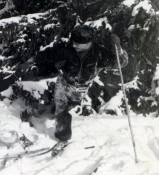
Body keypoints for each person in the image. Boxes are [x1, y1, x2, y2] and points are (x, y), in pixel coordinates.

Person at [32, 25, 129, 155]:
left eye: (78, 44)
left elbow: (120, 62)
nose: (75, 45)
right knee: (62, 109)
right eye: (74, 42)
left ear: (88, 43)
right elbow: (48, 53)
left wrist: (118, 48)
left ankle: (53, 112)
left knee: (68, 107)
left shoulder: (99, 53)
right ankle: (63, 138)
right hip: (64, 83)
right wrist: (32, 61)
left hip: (82, 88)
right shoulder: (67, 48)